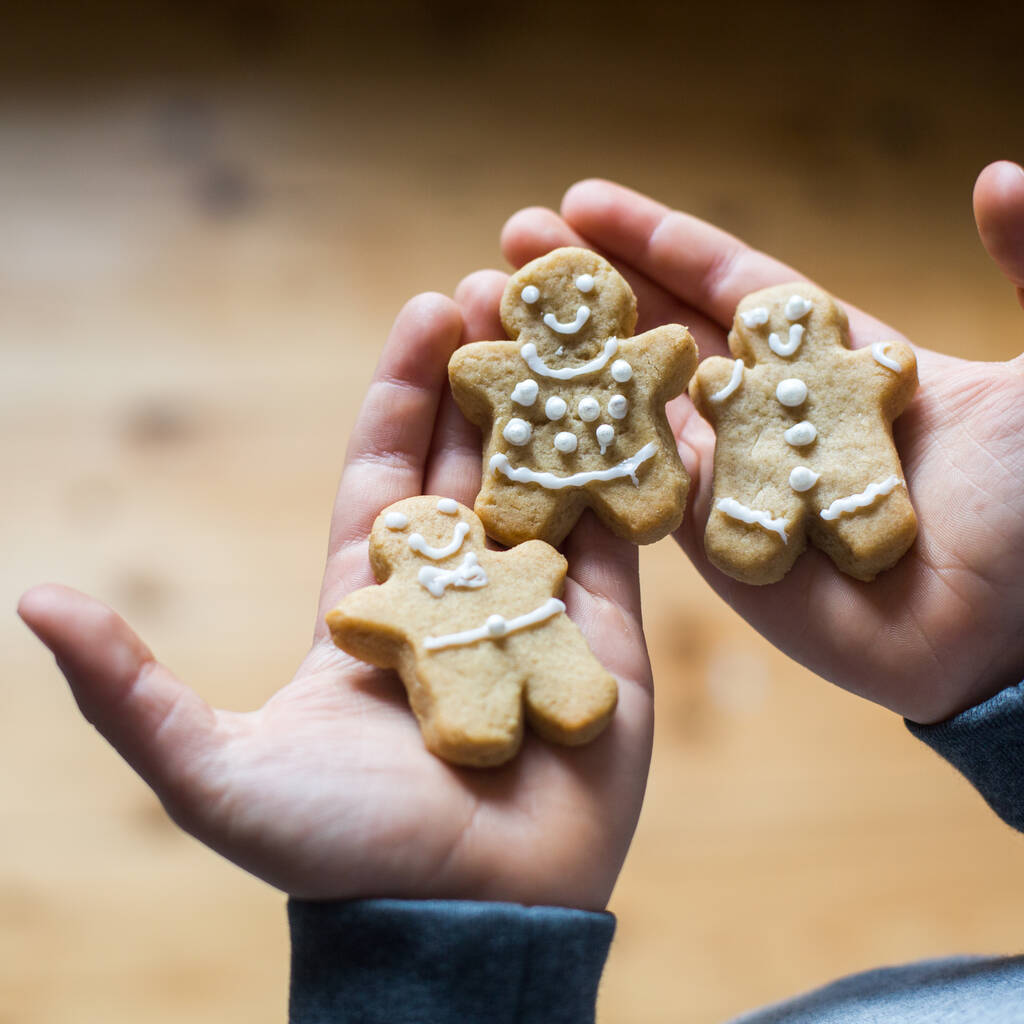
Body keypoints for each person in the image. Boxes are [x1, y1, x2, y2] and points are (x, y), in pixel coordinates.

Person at [18, 160, 1024, 1023]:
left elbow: (683, 369)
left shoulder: (803, 381)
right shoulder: (492, 445)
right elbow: (558, 406)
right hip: (531, 552)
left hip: (744, 497)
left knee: (664, 552)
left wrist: (437, 957)